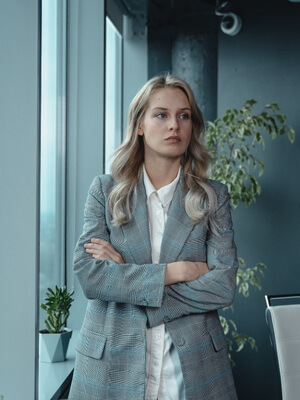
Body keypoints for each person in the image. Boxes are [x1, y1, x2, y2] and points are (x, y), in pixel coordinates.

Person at [69, 74, 239, 400]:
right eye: (161, 114)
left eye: (183, 115)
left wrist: (125, 277)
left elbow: (222, 286)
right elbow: (90, 276)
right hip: (112, 364)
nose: (174, 125)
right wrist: (177, 272)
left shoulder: (214, 197)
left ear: (192, 126)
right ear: (140, 126)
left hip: (192, 369)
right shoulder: (105, 191)